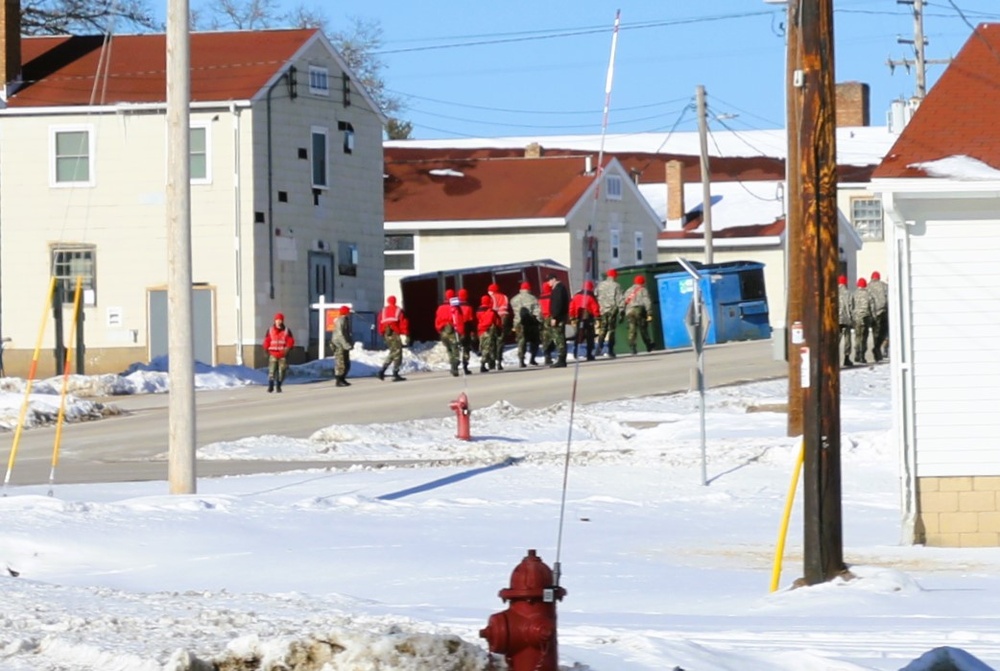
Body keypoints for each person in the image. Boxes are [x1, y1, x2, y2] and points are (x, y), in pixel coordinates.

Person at [376, 295, 409, 382]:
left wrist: (381, 332)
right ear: (395, 301)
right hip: (394, 333)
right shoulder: (398, 310)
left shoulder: (383, 311)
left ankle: (382, 371)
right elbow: (403, 322)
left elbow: (379, 322)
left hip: (386, 334)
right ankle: (395, 373)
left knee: (393, 352)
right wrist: (405, 332)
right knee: (398, 353)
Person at [509, 281, 541, 367]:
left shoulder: (513, 299)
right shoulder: (533, 298)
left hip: (519, 323)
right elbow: (537, 312)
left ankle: (521, 360)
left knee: (521, 342)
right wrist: (539, 322)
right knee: (534, 341)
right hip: (531, 323)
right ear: (529, 289)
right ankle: (532, 359)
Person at [262, 312, 294, 393]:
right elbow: (267, 340)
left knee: (282, 371)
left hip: (283, 354)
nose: (279, 322)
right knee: (271, 371)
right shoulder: (270, 330)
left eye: (280, 320)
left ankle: (279, 386)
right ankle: (271, 386)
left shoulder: (287, 330)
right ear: (275, 321)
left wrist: (287, 349)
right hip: (273, 353)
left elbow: (290, 341)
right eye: (277, 320)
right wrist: (265, 349)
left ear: (282, 321)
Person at [623, 275, 655, 355]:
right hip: (639, 310)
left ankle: (632, 347)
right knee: (643, 328)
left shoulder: (628, 290)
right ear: (643, 282)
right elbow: (647, 301)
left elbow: (624, 302)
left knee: (632, 330)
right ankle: (648, 345)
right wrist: (649, 312)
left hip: (629, 311)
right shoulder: (643, 290)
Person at [569, 280, 600, 361]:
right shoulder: (590, 296)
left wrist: (572, 316)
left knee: (579, 336)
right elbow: (595, 308)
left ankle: (576, 352)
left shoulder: (576, 296)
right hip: (588, 318)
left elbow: (571, 307)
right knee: (590, 337)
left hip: (579, 318)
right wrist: (597, 316)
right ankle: (589, 355)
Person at [595, 268, 623, 358]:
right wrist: (622, 310)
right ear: (614, 276)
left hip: (602, 310)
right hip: (612, 310)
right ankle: (611, 350)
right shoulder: (616, 285)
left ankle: (599, 347)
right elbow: (620, 299)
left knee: (603, 329)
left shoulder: (600, 285)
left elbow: (595, 295)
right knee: (611, 330)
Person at [435, 289, 461, 377]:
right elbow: (457, 318)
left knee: (449, 349)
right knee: (455, 349)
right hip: (452, 330)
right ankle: (455, 366)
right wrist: (460, 330)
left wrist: (439, 329)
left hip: (443, 331)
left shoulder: (440, 307)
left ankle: (452, 365)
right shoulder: (454, 306)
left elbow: (437, 320)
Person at [851, 277, 877, 364]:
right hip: (866, 318)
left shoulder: (854, 294)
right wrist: (874, 317)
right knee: (864, 337)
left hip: (857, 318)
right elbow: (872, 308)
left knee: (857, 337)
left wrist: (853, 316)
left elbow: (851, 306)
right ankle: (862, 355)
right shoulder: (869, 295)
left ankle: (857, 355)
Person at [546, 274, 569, 368]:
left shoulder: (558, 289)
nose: (548, 283)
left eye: (549, 280)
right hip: (561, 316)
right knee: (559, 337)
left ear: (554, 279)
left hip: (559, 317)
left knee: (559, 338)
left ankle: (561, 359)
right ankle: (561, 358)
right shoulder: (560, 288)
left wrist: (555, 317)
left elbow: (558, 304)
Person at [488, 283, 511, 370]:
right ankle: (499, 362)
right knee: (500, 342)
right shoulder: (504, 296)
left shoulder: (492, 297)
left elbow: (491, 308)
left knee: (492, 341)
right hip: (505, 319)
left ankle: (492, 361)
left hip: (495, 319)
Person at [476, 294, 502, 372]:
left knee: (483, 347)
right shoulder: (491, 311)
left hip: (481, 331)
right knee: (490, 348)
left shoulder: (478, 310)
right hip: (489, 331)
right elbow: (496, 322)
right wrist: (499, 329)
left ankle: (488, 364)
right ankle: (485, 364)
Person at [868, 271, 889, 362]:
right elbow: (888, 297)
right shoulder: (884, 286)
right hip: (883, 312)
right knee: (883, 332)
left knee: (875, 332)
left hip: (873, 313)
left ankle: (877, 350)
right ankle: (877, 348)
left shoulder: (868, 287)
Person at [331, 305, 354, 387]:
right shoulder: (340, 320)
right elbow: (340, 334)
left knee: (346, 362)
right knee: (341, 363)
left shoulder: (345, 319)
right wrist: (346, 344)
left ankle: (343, 378)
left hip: (343, 344)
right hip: (338, 344)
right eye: (348, 312)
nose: (349, 314)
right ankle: (339, 380)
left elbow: (347, 334)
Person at [456, 288, 476, 375]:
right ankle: (465, 366)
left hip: (456, 329)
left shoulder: (455, 306)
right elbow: (471, 319)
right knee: (466, 348)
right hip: (466, 329)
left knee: (456, 348)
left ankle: (455, 365)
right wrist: (473, 331)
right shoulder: (468, 307)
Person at [837, 275, 853, 367]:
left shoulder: (835, 292)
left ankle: (834, 357)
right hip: (846, 319)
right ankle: (846, 358)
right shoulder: (848, 293)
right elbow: (851, 307)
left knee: (836, 339)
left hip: (837, 319)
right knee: (847, 339)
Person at [538, 281, 556, 365]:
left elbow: (539, 309)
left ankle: (546, 355)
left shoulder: (541, 298)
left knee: (546, 338)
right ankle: (550, 351)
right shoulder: (552, 296)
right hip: (552, 317)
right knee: (555, 336)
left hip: (544, 318)